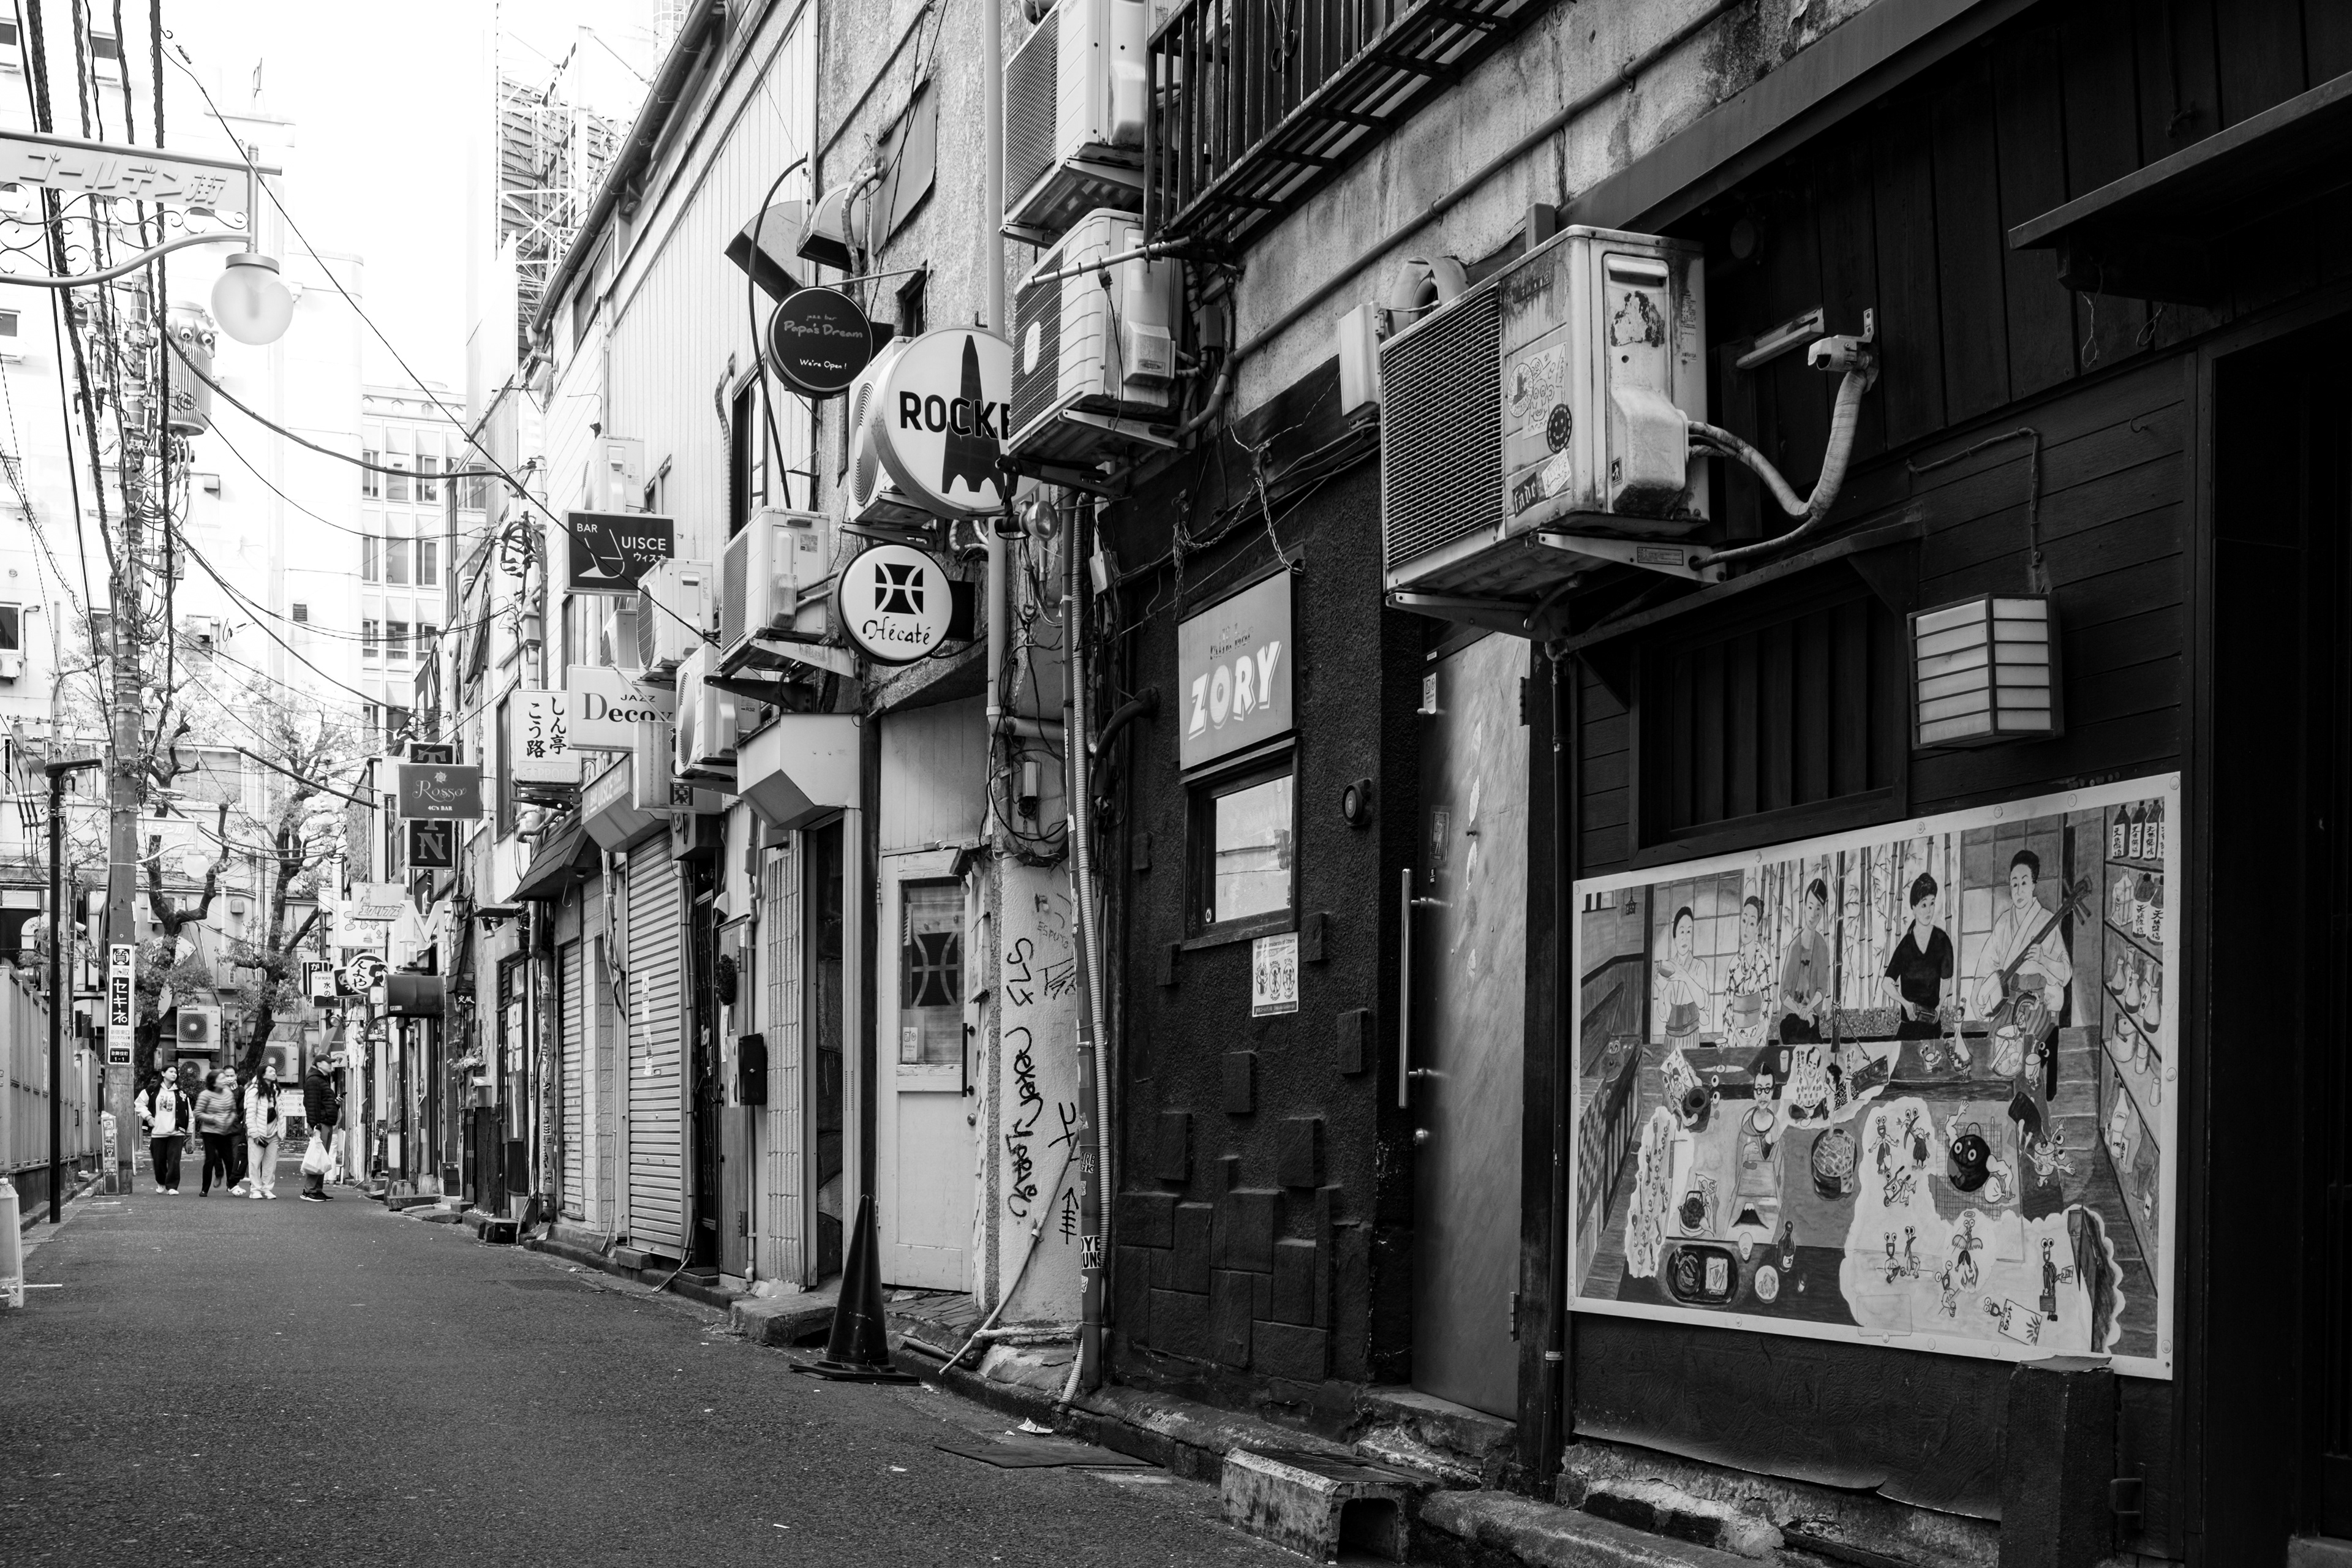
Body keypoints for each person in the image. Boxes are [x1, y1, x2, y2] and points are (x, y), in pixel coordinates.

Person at [1971, 848, 2072, 1023]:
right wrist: (1974, 998)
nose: (2018, 891)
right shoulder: (2004, 922)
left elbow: (2066, 973)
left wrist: (2043, 959)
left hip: (2036, 1006)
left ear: (2034, 885)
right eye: (2014, 884)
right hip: (2006, 1006)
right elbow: (1986, 962)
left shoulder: (2047, 920)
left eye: (2024, 883)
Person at [1883, 872, 1956, 1039]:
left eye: (1932, 903)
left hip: (1932, 1026)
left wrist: (1939, 1006)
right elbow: (1886, 984)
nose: (1929, 910)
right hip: (1908, 1028)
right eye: (1924, 905)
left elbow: (1947, 980)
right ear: (1914, 908)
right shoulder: (1906, 945)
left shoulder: (1942, 941)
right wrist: (1906, 1004)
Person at [1779, 879, 1833, 1042]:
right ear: (1804, 907)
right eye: (1810, 907)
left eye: (1818, 909)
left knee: (1815, 1042)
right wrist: (1801, 1012)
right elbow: (1784, 994)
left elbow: (1821, 990)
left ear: (1823, 911)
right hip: (1791, 1016)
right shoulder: (1795, 947)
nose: (1813, 914)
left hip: (1811, 1017)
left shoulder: (1821, 947)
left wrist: (1809, 1010)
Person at [1654, 906, 1708, 1041]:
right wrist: (1661, 991)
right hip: (1671, 1037)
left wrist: (1686, 977)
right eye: (1682, 931)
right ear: (1675, 937)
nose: (1685, 937)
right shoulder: (1668, 967)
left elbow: (1703, 1004)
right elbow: (1664, 1016)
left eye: (1689, 932)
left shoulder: (1699, 966)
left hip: (1691, 1036)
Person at [300, 1054, 343, 1202]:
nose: (331, 1065)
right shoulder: (314, 1080)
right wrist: (315, 1126)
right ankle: (309, 1191)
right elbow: (311, 1105)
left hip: (326, 1123)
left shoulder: (321, 1079)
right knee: (317, 1156)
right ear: (319, 1064)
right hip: (321, 1124)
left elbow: (322, 1103)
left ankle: (317, 1190)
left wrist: (335, 1104)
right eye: (328, 1062)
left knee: (322, 1157)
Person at [135, 1071, 184, 1193]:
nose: (174, 1074)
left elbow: (187, 1112)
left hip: (176, 1132)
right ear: (163, 1073)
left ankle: (172, 1187)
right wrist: (148, 1117)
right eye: (171, 1072)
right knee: (158, 1161)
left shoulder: (180, 1092)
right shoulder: (152, 1090)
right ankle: (161, 1182)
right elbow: (139, 1103)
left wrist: (189, 1132)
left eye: (176, 1072)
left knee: (174, 1161)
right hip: (158, 1131)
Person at [193, 1069, 239, 1196]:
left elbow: (233, 1111)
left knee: (229, 1160)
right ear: (213, 1082)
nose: (225, 1081)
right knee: (210, 1159)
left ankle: (232, 1185)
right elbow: (198, 1113)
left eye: (225, 1078)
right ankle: (205, 1189)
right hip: (210, 1132)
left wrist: (228, 1121)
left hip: (225, 1131)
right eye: (221, 1079)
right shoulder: (205, 1095)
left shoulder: (228, 1093)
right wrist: (214, 1119)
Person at [243, 1065, 285, 1200]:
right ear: (263, 1074)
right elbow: (250, 1114)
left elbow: (281, 1112)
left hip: (274, 1132)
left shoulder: (276, 1090)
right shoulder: (254, 1090)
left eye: (275, 1071)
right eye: (271, 1071)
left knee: (271, 1164)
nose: (274, 1073)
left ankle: (267, 1189)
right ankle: (255, 1189)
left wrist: (281, 1131)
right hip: (258, 1133)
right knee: (255, 1162)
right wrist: (254, 1134)